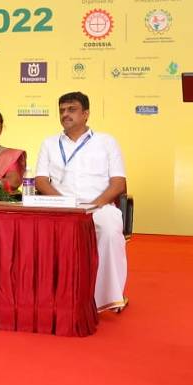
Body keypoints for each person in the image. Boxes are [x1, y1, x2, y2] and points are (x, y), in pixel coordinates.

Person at [34, 92, 128, 313]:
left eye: (71, 109)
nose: (65, 114)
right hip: (61, 207)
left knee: (109, 229)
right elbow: (40, 180)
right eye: (62, 110)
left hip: (99, 206)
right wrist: (64, 203)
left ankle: (106, 299)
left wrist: (93, 206)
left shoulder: (107, 142)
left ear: (85, 114)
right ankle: (49, 295)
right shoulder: (49, 143)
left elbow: (118, 184)